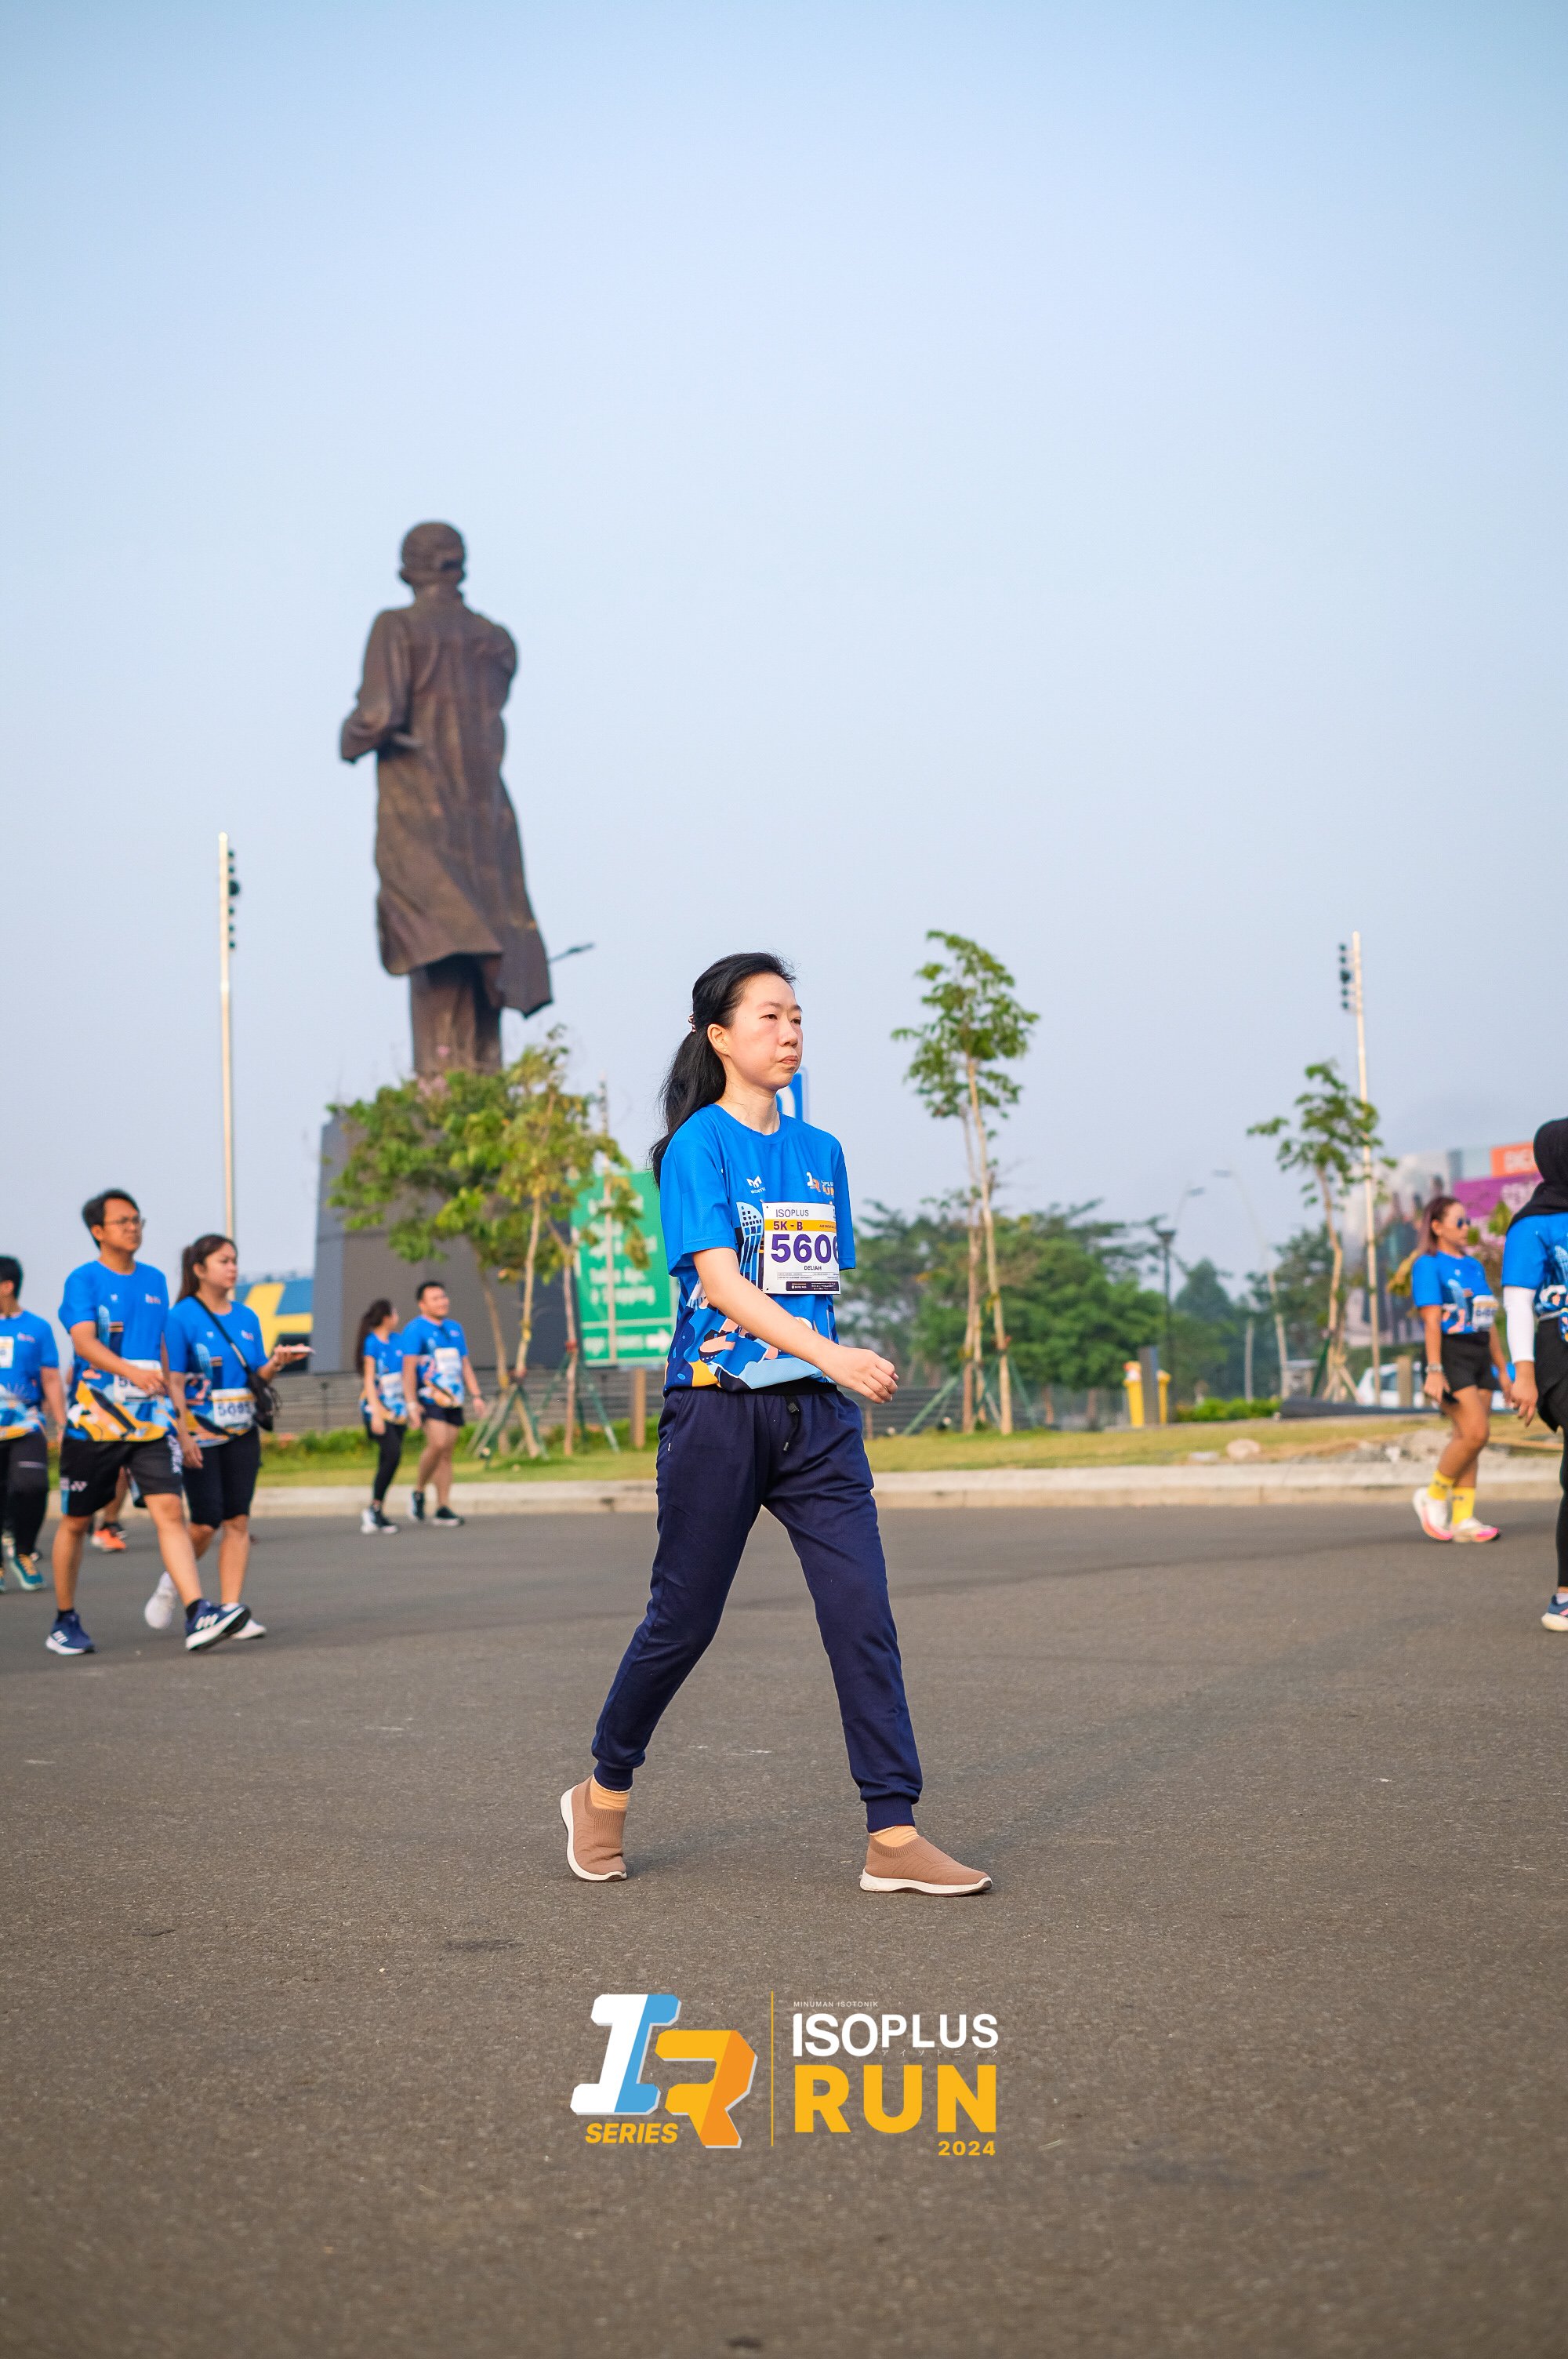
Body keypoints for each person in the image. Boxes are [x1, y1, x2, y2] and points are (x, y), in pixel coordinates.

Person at [561, 953, 990, 1897]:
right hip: (716, 1411)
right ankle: (603, 1787)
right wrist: (835, 1355)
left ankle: (891, 1830)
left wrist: (824, 1364)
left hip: (817, 1423)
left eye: (796, 1016)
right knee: (683, 1620)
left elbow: (809, 1286)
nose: (790, 1032)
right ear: (718, 1035)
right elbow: (721, 1284)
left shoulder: (820, 1151)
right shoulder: (697, 1147)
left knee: (861, 1614)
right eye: (769, 1016)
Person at [51, 1190, 246, 1656]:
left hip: (150, 1422)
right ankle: (64, 1620)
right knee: (76, 1521)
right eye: (122, 1221)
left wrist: (178, 1419)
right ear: (98, 1231)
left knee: (170, 1511)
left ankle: (197, 1612)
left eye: (137, 1219)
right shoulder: (83, 1280)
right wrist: (132, 1372)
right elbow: (84, 1344)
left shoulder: (155, 1279)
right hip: (95, 1420)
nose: (133, 1227)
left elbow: (161, 1351)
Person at [143, 1234, 310, 1639]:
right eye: (224, 1261)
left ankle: (232, 1610)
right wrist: (182, 1433)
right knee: (205, 1523)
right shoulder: (180, 1317)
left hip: (242, 1432)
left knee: (237, 1520)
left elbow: (257, 1377)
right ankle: (171, 1584)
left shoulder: (248, 1317)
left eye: (234, 1260)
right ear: (199, 1269)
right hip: (199, 1434)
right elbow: (174, 1381)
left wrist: (277, 1362)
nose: (233, 1267)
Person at [1410, 1194, 1512, 1542]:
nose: (1467, 1227)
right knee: (1476, 1432)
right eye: (1459, 1221)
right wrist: (1434, 1369)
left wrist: (1502, 1370)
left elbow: (1488, 1321)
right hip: (1449, 1354)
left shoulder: (1473, 1265)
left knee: (1468, 1439)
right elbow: (1431, 1321)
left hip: (1479, 1352)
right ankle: (1433, 1495)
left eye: (1467, 1221)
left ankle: (1464, 1518)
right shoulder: (1427, 1265)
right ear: (1437, 1227)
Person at [1500, 1120, 1568, 1630]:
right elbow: (1518, 1304)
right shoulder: (1533, 1225)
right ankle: (1564, 1597)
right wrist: (1523, 1373)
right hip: (1559, 1352)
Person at [0, 1255, 64, 1592]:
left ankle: (23, 1550)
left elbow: (51, 1378)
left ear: (7, 1286)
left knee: (33, 1486)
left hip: (26, 1423)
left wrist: (63, 1424)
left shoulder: (37, 1328)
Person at [401, 1280, 484, 1526]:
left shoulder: (455, 1328)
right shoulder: (415, 1329)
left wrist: (476, 1395)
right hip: (429, 1398)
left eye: (443, 1297)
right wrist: (411, 1404)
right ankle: (418, 1491)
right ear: (422, 1304)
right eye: (435, 1298)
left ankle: (442, 1507)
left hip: (453, 1399)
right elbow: (408, 1370)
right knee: (437, 1444)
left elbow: (465, 1364)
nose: (442, 1302)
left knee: (447, 1453)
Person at [357, 1298, 407, 1534]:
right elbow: (369, 1379)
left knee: (389, 1458)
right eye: (394, 1312)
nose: (397, 1316)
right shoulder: (372, 1342)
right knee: (393, 1453)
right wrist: (376, 1414)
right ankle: (375, 1509)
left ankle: (375, 1509)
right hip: (377, 1409)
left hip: (398, 1411)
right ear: (386, 1317)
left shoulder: (398, 1340)